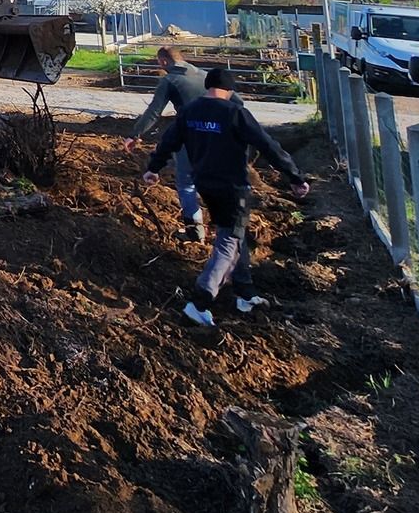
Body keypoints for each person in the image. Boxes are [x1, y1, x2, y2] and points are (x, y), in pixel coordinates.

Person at [145, 67, 310, 327]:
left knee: (235, 233)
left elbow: (169, 141)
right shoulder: (235, 113)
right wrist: (295, 177)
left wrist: (153, 168)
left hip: (205, 185)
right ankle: (199, 302)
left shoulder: (189, 111)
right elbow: (267, 145)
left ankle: (245, 293)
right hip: (232, 187)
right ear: (230, 89)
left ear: (207, 86)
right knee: (229, 241)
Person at [125, 47, 210, 244]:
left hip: (189, 136)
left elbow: (154, 112)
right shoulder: (205, 76)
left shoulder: (170, 80)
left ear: (163, 62)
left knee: (187, 184)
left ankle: (195, 234)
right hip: (218, 137)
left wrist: (134, 134)